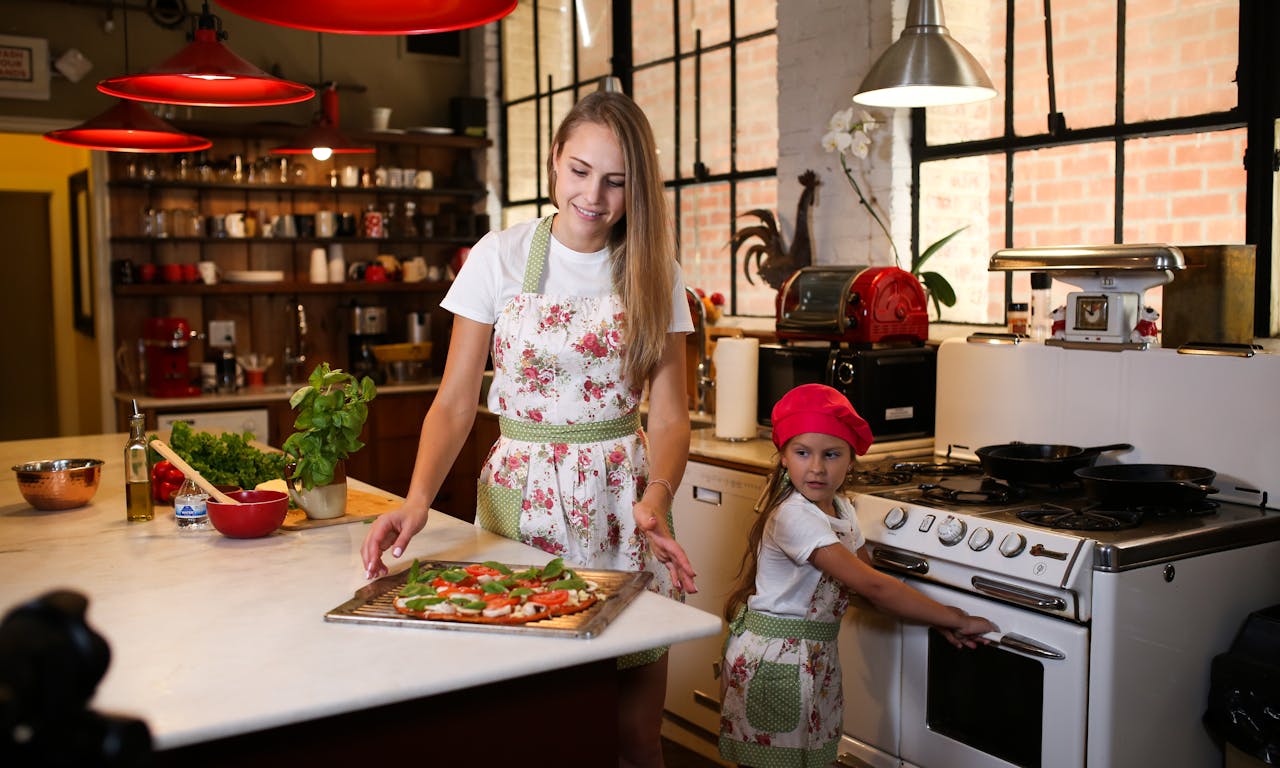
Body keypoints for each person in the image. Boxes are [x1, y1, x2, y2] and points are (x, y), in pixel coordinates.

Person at [360, 90, 698, 768]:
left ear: (637, 186)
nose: (594, 197)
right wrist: (418, 499)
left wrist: (656, 495)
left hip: (620, 506)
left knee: (634, 737)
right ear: (553, 163)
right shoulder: (499, 256)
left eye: (615, 181)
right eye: (579, 171)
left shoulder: (657, 270)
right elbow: (456, 402)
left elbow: (669, 414)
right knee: (526, 728)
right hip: (522, 503)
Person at [718, 384, 998, 768]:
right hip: (775, 662)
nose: (816, 468)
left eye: (831, 455)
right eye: (803, 453)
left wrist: (932, 618)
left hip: (814, 660)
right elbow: (874, 585)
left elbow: (864, 586)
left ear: (851, 460)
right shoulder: (793, 516)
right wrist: (955, 617)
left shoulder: (842, 510)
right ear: (783, 457)